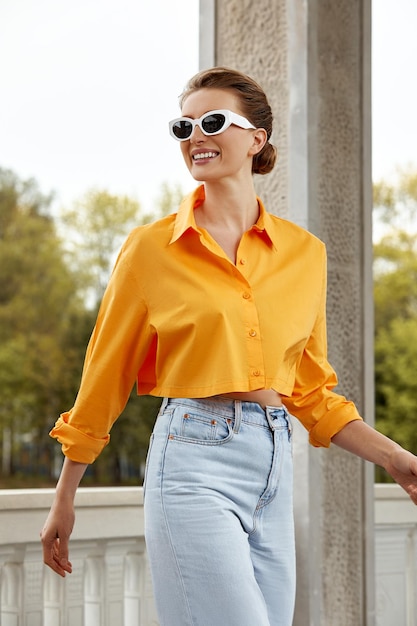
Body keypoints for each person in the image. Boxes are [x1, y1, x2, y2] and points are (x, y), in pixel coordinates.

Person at [41, 67, 417, 626]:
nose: (196, 135)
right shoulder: (151, 250)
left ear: (256, 139)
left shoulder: (304, 254)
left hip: (274, 466)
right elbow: (105, 374)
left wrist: (396, 459)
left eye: (213, 121)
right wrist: (64, 494)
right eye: (183, 126)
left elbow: (312, 394)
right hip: (192, 461)